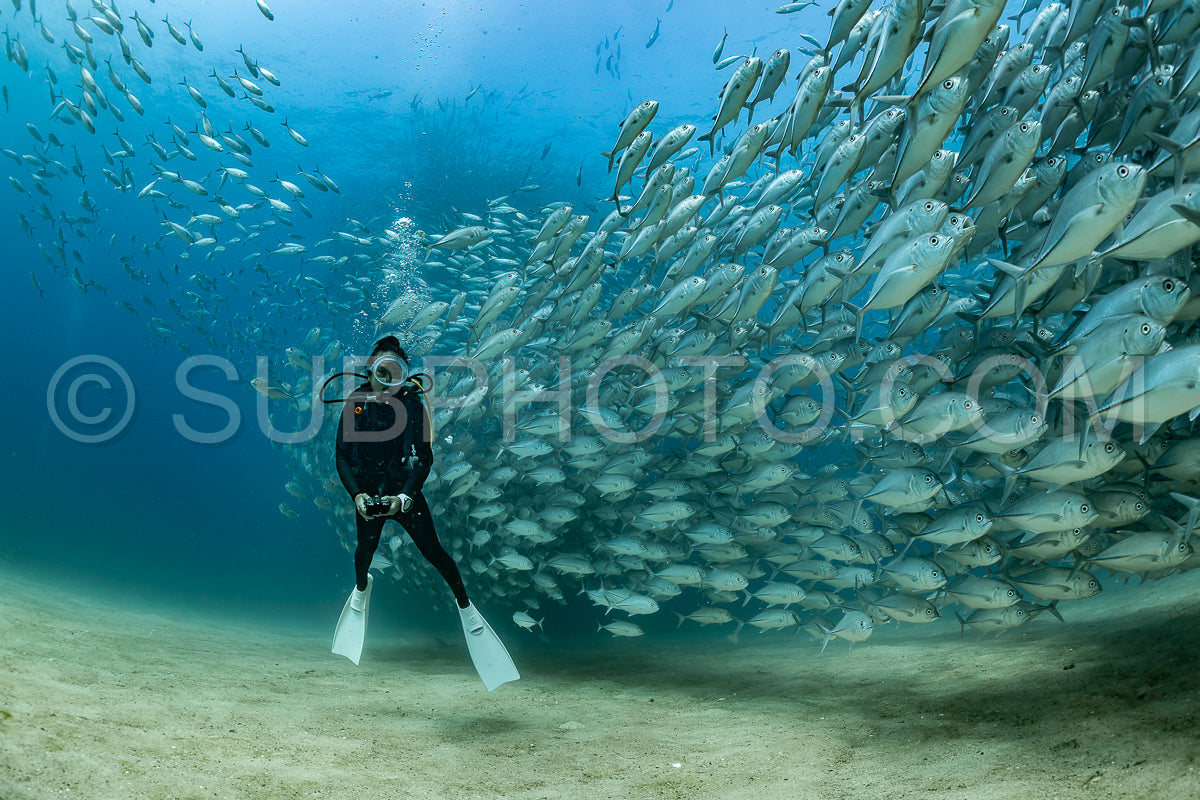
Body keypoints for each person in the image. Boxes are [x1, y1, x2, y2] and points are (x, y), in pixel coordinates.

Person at [327, 336, 518, 689]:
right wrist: (357, 496)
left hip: (404, 493)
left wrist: (404, 498)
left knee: (435, 552)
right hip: (368, 493)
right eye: (382, 372)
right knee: (364, 552)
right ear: (369, 371)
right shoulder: (356, 402)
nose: (388, 381)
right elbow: (341, 455)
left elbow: (425, 457)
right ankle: (360, 589)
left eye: (396, 373)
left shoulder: (412, 403)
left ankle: (465, 607)